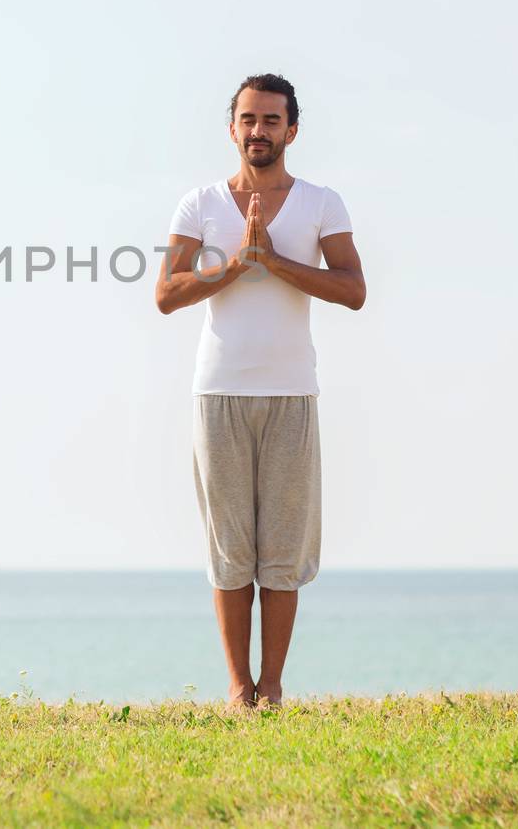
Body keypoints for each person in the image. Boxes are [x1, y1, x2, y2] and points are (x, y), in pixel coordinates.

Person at [154, 73, 366, 707]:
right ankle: (237, 687)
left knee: (283, 546)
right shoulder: (199, 204)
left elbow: (353, 289)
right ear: (232, 129)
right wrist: (236, 263)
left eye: (271, 121)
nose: (258, 131)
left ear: (291, 131)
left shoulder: (321, 203)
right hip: (217, 394)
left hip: (293, 395)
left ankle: (272, 687)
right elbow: (166, 295)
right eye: (248, 119)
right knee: (230, 546)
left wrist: (273, 261)